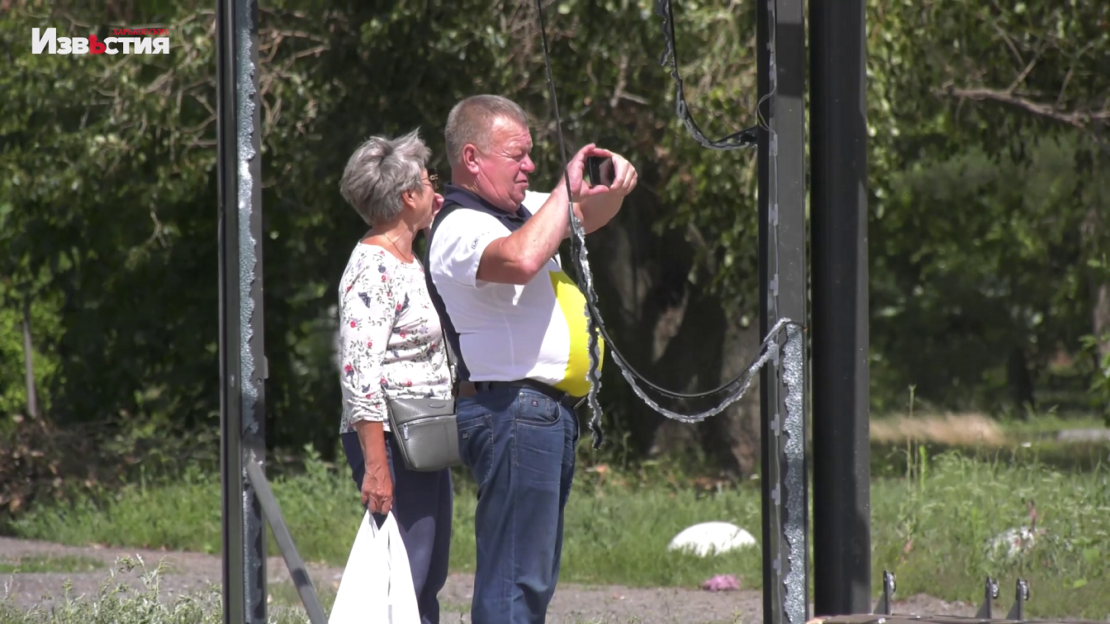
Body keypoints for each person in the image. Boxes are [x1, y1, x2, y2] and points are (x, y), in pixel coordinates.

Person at [426, 94, 638, 624]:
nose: (530, 166)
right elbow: (522, 259)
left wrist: (613, 185)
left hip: (541, 415)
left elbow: (587, 215)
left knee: (531, 576)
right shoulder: (459, 226)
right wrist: (565, 195)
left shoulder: (520, 212)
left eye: (532, 154)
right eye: (517, 155)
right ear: (472, 158)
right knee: (516, 576)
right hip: (512, 412)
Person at [335, 129, 453, 624]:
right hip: (393, 442)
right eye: (430, 182)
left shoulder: (409, 261)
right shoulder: (372, 268)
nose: (438, 193)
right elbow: (359, 374)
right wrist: (376, 467)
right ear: (408, 197)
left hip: (424, 437)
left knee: (425, 578)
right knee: (405, 578)